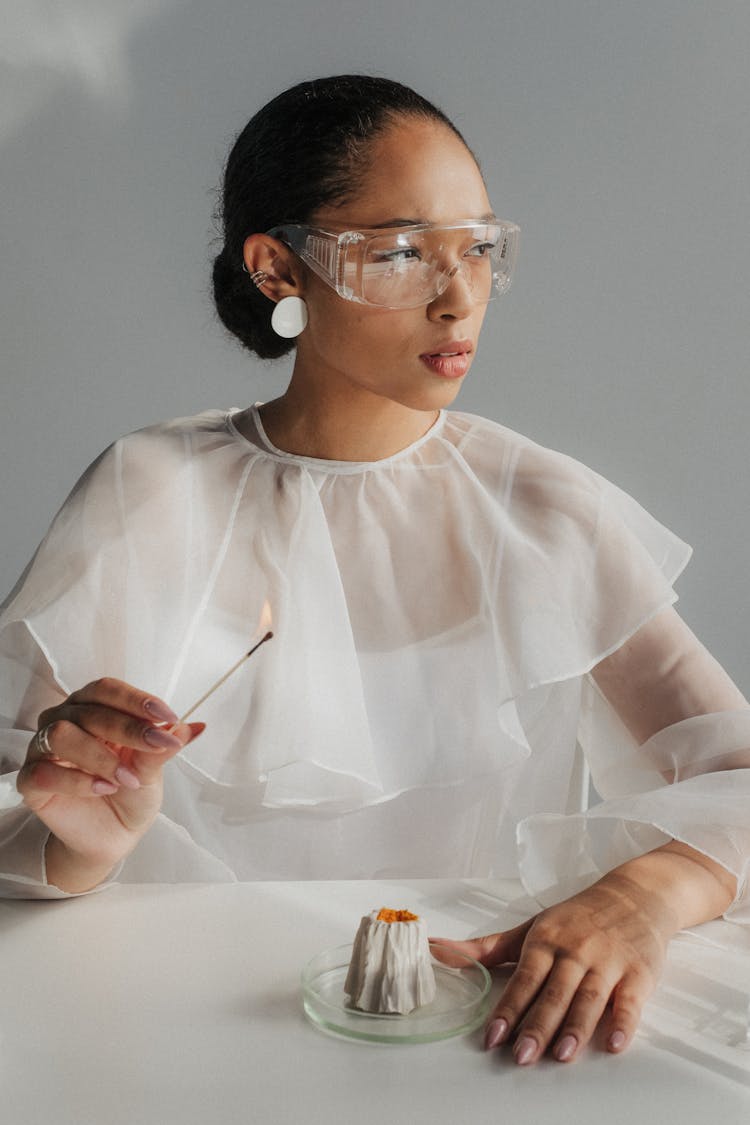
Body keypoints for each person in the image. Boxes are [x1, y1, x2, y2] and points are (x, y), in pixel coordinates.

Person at [1, 75, 749, 1069]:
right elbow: (20, 801)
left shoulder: (542, 507)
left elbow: (738, 776)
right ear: (277, 268)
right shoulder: (150, 489)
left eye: (478, 248)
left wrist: (637, 896)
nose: (459, 296)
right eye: (400, 253)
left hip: (482, 1037)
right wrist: (82, 838)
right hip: (176, 1036)